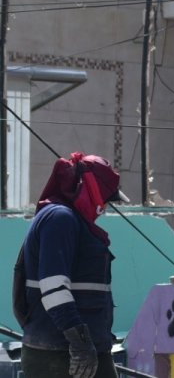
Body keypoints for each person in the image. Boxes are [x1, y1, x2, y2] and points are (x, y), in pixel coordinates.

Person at [16, 152, 126, 378]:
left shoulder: (69, 220)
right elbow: (53, 286)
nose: (104, 207)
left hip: (80, 351)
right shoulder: (60, 219)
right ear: (92, 190)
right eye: (105, 198)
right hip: (61, 355)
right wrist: (80, 342)